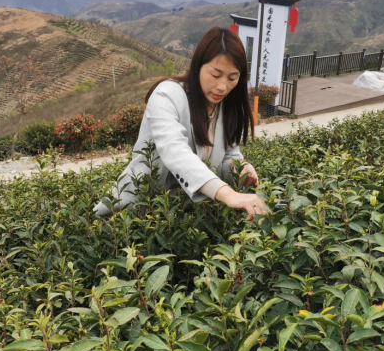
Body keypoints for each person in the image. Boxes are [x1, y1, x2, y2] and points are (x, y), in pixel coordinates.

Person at [93, 26, 267, 220]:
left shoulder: (227, 108)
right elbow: (174, 150)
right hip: (138, 211)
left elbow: (227, 157)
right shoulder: (167, 95)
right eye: (216, 75)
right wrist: (229, 195)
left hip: (187, 219)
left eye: (232, 78)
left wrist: (241, 167)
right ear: (198, 65)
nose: (222, 86)